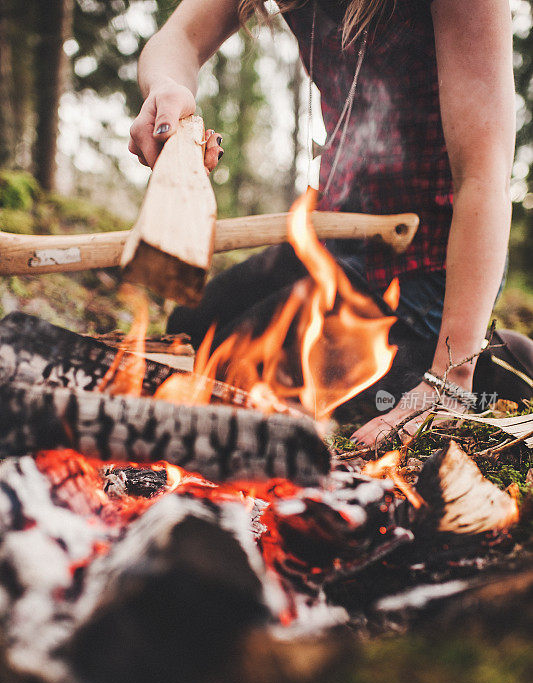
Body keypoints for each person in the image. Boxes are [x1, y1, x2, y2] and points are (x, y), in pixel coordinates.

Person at [129, 0, 516, 444]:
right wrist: (166, 86)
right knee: (191, 331)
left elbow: (483, 179)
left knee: (234, 377)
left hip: (431, 266)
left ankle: (482, 360)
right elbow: (178, 37)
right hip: (337, 235)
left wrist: (453, 381)